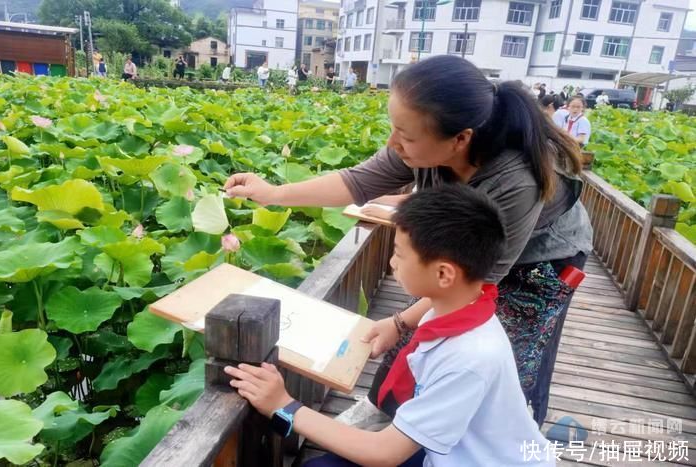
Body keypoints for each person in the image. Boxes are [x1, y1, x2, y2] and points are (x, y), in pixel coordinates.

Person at [223, 55, 593, 428]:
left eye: (405, 135)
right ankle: (385, 412)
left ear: (461, 139)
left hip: (541, 259)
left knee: (508, 355)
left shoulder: (516, 181)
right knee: (422, 322)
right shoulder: (427, 142)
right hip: (466, 251)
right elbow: (358, 182)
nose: (393, 142)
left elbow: (474, 287)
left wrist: (399, 322)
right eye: (394, 127)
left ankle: (497, 432)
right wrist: (272, 194)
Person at [225, 184, 556, 467]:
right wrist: (397, 323)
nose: (391, 263)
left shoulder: (469, 358)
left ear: (443, 274)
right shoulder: (458, 307)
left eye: (399, 254)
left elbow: (384, 454)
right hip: (451, 447)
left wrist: (285, 407)